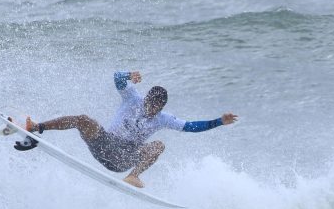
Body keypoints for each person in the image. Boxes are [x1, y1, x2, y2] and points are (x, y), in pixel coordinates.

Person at [24, 71, 238, 188]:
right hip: (103, 144)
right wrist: (128, 75)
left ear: (162, 107)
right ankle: (37, 127)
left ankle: (133, 176)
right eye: (151, 104)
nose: (152, 110)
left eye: (157, 107)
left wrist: (219, 121)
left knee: (158, 145)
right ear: (146, 98)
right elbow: (117, 77)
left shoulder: (163, 119)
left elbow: (191, 127)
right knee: (83, 119)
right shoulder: (132, 98)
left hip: (125, 157)